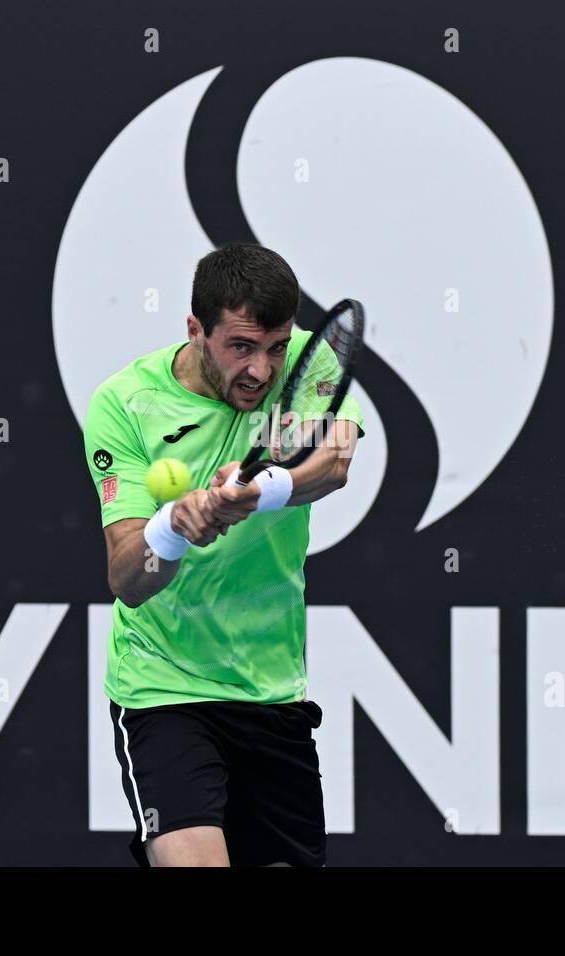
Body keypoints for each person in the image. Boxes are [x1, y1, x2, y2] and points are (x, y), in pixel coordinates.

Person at [82, 242, 364, 866]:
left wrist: (259, 492)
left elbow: (336, 458)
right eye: (240, 347)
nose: (262, 371)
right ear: (194, 330)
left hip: (271, 690)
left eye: (275, 347)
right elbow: (129, 577)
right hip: (164, 686)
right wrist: (173, 527)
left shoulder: (312, 365)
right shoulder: (125, 404)